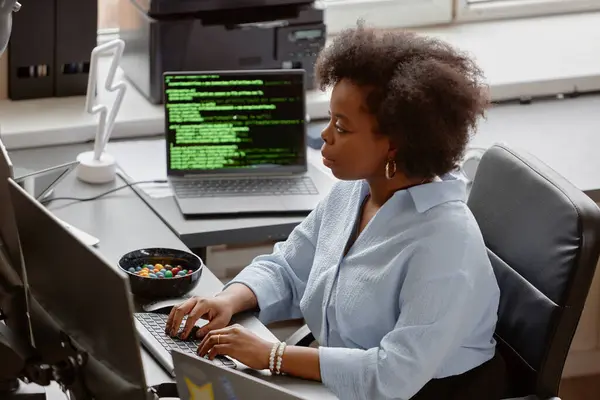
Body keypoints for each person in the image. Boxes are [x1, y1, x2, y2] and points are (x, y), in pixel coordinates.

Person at [165, 22, 506, 400]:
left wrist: (273, 355)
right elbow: (290, 268)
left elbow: (392, 376)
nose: (325, 135)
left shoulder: (445, 242)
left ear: (394, 144)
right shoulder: (354, 191)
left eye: (341, 127)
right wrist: (229, 299)